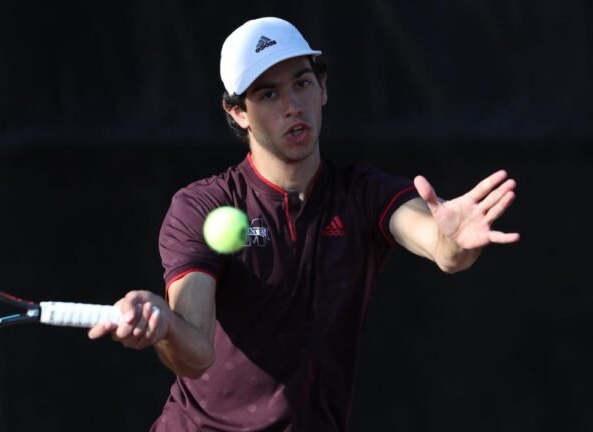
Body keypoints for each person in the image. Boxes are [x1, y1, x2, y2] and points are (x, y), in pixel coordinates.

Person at [88, 16, 519, 431]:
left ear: (323, 87)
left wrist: (453, 241)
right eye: (268, 94)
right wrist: (164, 325)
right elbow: (196, 353)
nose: (293, 106)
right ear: (237, 112)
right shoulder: (200, 206)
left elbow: (441, 247)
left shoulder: (364, 193)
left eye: (302, 83)